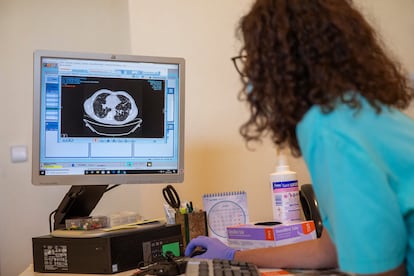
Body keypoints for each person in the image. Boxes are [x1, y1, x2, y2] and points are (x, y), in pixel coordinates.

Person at [185, 0, 414, 275]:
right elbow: (330, 250)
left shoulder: (330, 127)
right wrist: (235, 254)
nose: (249, 73)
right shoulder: (358, 110)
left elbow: (385, 272)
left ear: (280, 61)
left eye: (253, 58)